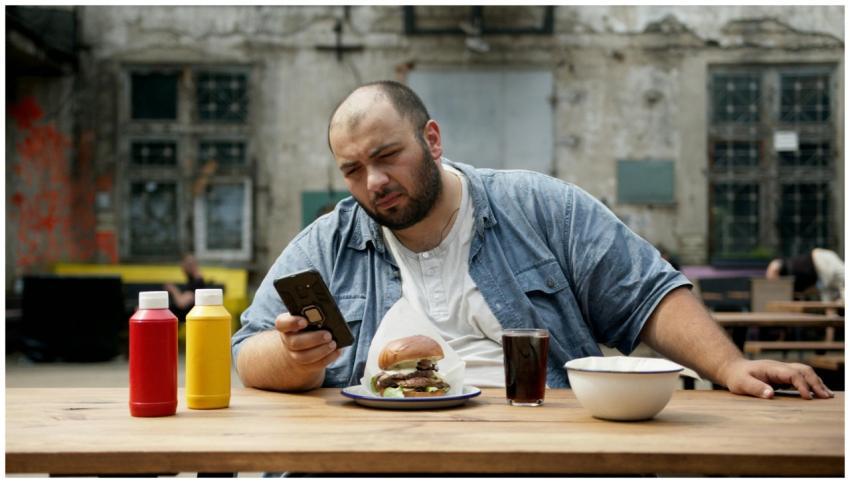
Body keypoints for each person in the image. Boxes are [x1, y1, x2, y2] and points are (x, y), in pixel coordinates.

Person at [232, 80, 832, 400]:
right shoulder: (329, 242)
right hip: (380, 457)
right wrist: (292, 359)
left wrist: (730, 366)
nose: (374, 182)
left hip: (538, 449)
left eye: (387, 156)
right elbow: (247, 348)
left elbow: (646, 293)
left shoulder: (542, 207)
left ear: (433, 140)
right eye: (352, 169)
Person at [766, 248, 844, 302]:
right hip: (821, 265)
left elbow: (774, 267)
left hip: (820, 261)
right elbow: (773, 267)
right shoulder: (785, 270)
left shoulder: (785, 268)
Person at [164, 253, 208, 321]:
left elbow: (182, 303)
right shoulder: (193, 281)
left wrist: (173, 289)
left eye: (185, 265)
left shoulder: (198, 282)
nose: (183, 268)